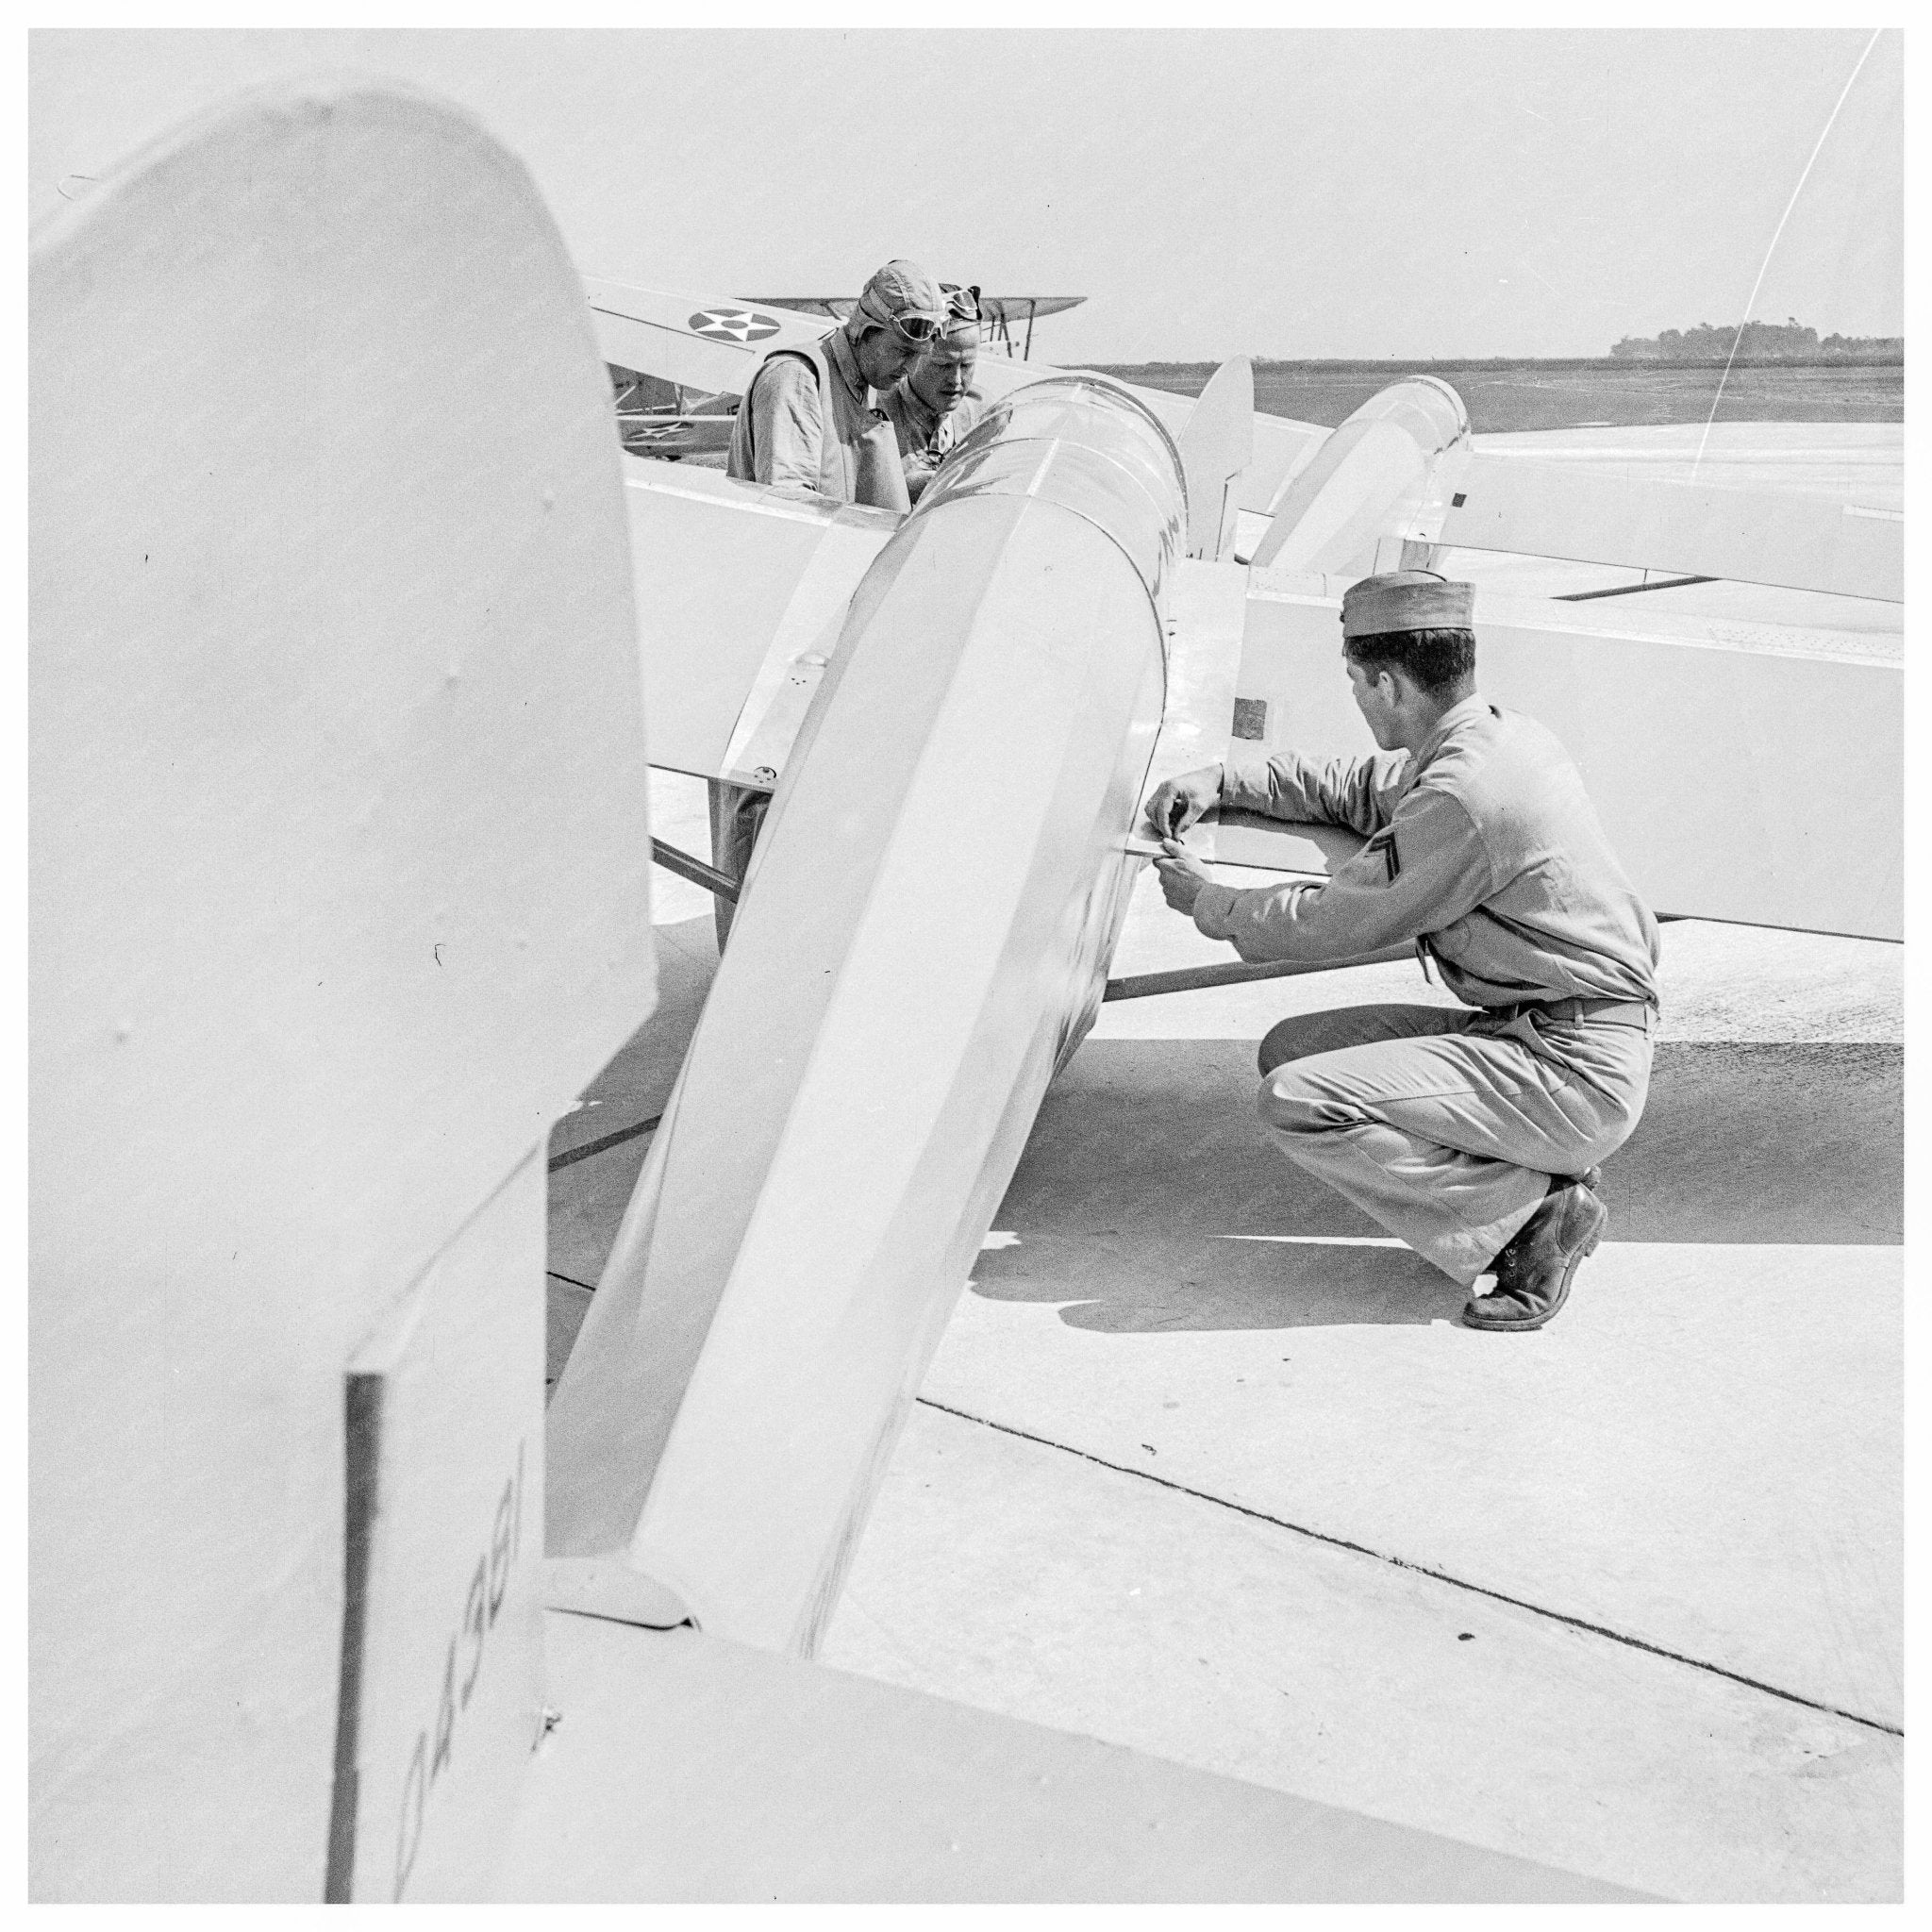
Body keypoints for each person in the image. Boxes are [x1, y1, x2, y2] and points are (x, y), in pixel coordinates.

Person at [1146, 571, 1660, 1331]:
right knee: (1297, 1047)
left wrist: (1208, 900)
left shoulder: (1464, 794)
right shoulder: (1489, 739)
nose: (1356, 698)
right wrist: (1223, 780)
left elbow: (1334, 922)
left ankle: (1533, 1221)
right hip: (1543, 1029)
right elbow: (1358, 788)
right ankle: (1523, 1168)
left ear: (1386, 683)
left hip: (1571, 1067)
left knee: (1299, 1100)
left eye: (1355, 681)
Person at [712, 259, 947, 943]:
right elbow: (791, 512)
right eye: (901, 350)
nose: (907, 371)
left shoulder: (867, 389)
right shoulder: (798, 379)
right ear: (865, 329)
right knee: (758, 808)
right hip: (777, 635)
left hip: (827, 632)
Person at [880, 283, 987, 502]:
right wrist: (898, 489)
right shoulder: (872, 413)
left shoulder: (983, 416)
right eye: (943, 365)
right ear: (913, 355)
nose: (956, 381)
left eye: (967, 365)